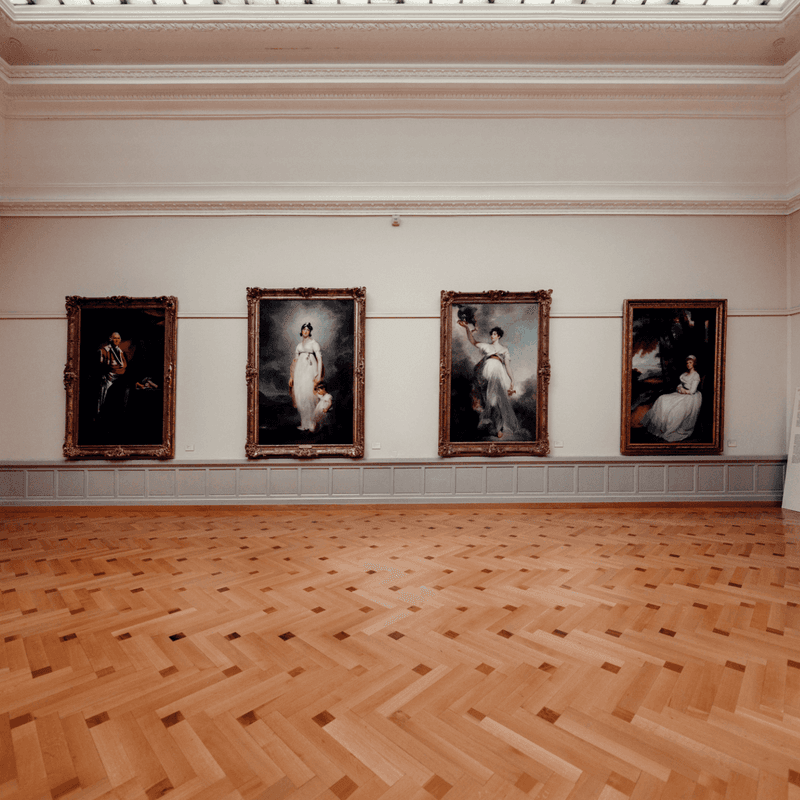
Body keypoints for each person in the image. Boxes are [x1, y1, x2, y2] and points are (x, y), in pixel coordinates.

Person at [458, 320, 519, 439]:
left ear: (499, 336)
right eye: (491, 334)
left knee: (496, 401)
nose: (492, 336)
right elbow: (473, 341)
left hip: (497, 374)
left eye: (494, 334)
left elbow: (507, 366)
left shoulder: (504, 350)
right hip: (485, 374)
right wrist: (466, 328)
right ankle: (494, 426)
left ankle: (499, 428)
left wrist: (512, 380)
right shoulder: (486, 346)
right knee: (488, 401)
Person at [641, 355, 702, 442]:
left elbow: (692, 391)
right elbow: (681, 385)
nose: (688, 364)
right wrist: (679, 388)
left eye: (690, 363)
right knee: (662, 399)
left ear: (694, 364)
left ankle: (668, 429)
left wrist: (682, 390)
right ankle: (659, 427)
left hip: (690, 397)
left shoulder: (696, 375)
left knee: (675, 409)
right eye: (687, 363)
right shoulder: (684, 374)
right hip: (681, 393)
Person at [289, 322, 323, 431]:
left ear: (310, 332)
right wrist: (292, 376)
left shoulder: (314, 343)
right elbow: (295, 362)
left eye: (308, 330)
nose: (305, 331)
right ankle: (304, 424)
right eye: (304, 329)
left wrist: (318, 373)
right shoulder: (299, 346)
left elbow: (319, 359)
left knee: (310, 396)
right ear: (301, 331)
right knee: (301, 397)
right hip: (300, 373)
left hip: (310, 371)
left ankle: (312, 424)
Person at [97, 331, 127, 416]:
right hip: (108, 380)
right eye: (115, 338)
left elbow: (124, 366)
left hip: (120, 381)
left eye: (118, 338)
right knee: (103, 402)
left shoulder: (122, 353)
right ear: (110, 339)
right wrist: (104, 376)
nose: (116, 340)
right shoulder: (103, 351)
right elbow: (99, 367)